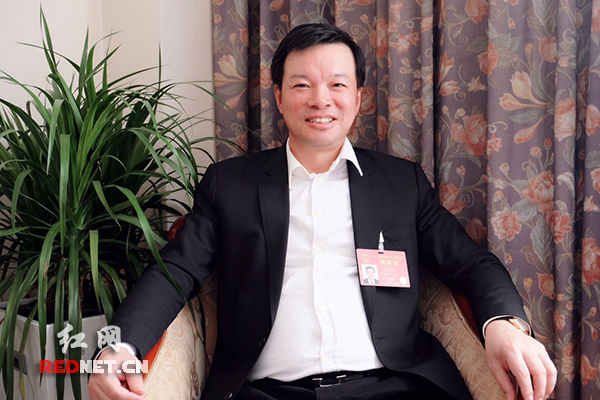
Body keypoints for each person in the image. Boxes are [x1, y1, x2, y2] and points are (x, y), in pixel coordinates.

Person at [89, 23, 556, 400]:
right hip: (267, 391)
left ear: (358, 98)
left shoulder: (401, 183)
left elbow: (471, 263)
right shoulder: (229, 184)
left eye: (337, 84)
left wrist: (505, 324)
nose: (321, 99)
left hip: (394, 385)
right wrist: (116, 346)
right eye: (302, 85)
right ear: (278, 96)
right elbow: (175, 271)